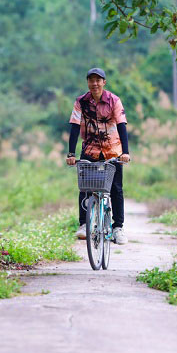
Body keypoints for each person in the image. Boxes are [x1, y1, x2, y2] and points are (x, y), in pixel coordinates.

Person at [66, 67, 130, 244]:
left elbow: (122, 125)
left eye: (98, 80)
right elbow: (74, 126)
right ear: (87, 82)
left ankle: (118, 227)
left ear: (104, 82)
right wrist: (71, 153)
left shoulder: (114, 100)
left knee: (116, 189)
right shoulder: (81, 102)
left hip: (113, 150)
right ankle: (83, 225)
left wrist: (125, 152)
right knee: (85, 187)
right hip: (90, 149)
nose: (94, 83)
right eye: (91, 80)